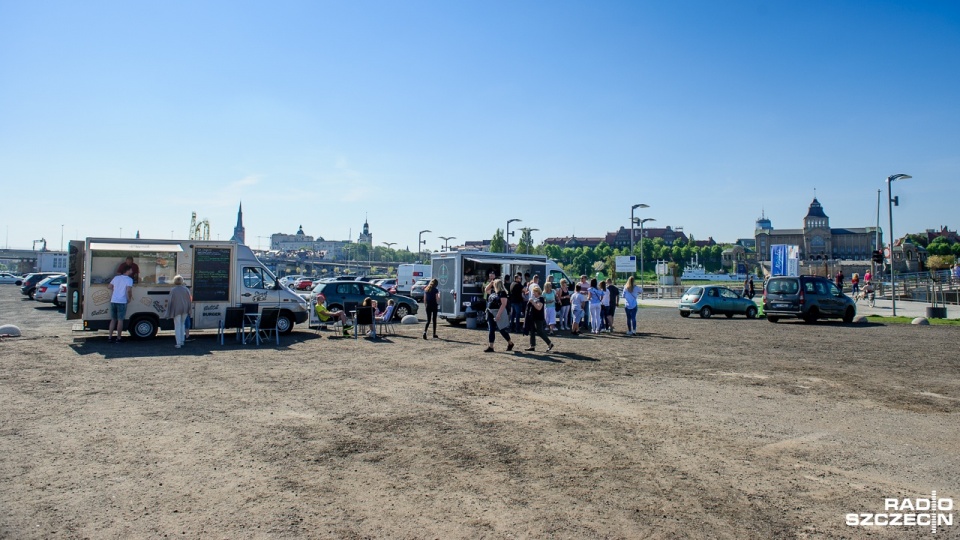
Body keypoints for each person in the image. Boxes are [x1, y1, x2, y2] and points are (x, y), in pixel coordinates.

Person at [483, 279, 515, 353]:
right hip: (490, 312)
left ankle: (510, 343)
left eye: (494, 284)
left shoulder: (502, 293)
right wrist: (491, 283)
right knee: (491, 329)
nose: (493, 285)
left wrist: (498, 315)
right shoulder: (493, 291)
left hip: (498, 312)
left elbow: (504, 304)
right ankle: (491, 346)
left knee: (501, 330)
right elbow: (486, 289)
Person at [107, 266, 134, 343]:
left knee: (113, 320)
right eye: (131, 269)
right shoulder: (129, 280)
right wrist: (129, 298)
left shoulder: (116, 278)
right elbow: (129, 290)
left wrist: (115, 290)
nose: (132, 271)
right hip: (122, 301)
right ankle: (118, 337)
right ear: (128, 271)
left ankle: (110, 337)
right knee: (120, 320)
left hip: (113, 300)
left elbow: (109, 286)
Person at [524, 285, 553, 352]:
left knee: (540, 332)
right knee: (532, 331)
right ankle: (532, 345)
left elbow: (539, 308)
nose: (533, 294)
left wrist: (532, 302)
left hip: (539, 318)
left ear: (538, 292)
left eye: (534, 292)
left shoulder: (541, 299)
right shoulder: (535, 299)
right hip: (533, 318)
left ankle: (549, 343)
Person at [166, 275, 192, 348]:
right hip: (185, 309)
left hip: (176, 309)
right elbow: (190, 299)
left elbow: (170, 301)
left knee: (177, 325)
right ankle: (182, 340)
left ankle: (178, 343)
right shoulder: (186, 289)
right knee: (182, 324)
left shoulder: (173, 290)